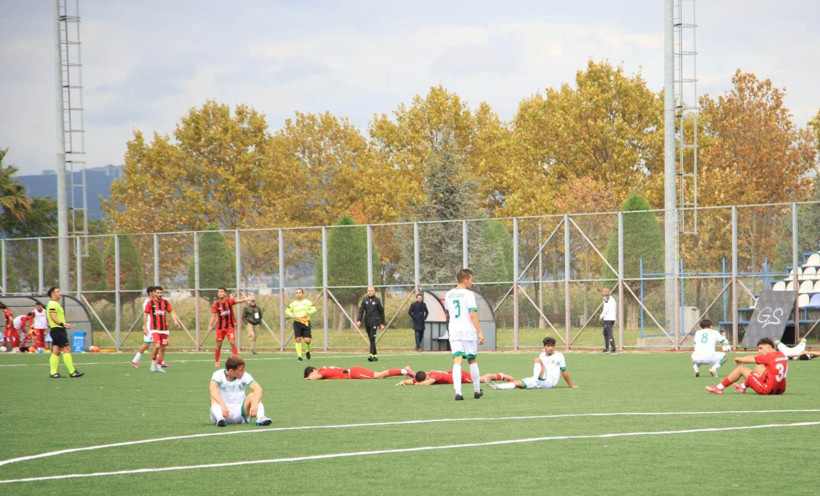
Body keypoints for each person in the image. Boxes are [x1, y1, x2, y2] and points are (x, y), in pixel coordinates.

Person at [444, 268, 485, 401]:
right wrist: (480, 332)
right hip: (467, 330)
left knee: (457, 359)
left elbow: (447, 313)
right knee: (471, 359)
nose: (472, 282)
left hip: (454, 330)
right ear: (466, 280)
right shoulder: (468, 294)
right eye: (471, 279)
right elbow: (472, 314)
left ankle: (458, 392)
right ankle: (477, 390)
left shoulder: (449, 294)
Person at [486, 337, 578, 391]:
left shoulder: (559, 356)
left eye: (552, 346)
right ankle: (497, 386)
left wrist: (571, 385)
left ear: (554, 346)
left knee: (537, 360)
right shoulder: (542, 355)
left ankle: (535, 379)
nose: (550, 348)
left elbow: (564, 372)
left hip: (550, 382)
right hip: (540, 380)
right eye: (548, 346)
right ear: (544, 347)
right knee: (518, 383)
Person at [705, 337, 788, 395]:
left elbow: (750, 360)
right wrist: (742, 358)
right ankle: (742, 386)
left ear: (768, 347)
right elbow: (755, 357)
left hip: (767, 389)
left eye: (760, 348)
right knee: (758, 367)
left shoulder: (767, 356)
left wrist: (739, 359)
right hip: (781, 390)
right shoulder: (780, 354)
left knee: (741, 369)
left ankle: (719, 388)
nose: (759, 351)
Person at [209, 355, 271, 427]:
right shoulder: (218, 374)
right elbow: (212, 389)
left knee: (254, 395)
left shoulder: (245, 375)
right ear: (231, 371)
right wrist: (223, 406)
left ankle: (261, 417)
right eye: (241, 370)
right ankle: (220, 419)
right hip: (223, 412)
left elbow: (258, 389)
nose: (243, 372)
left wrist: (254, 404)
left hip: (240, 413)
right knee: (213, 397)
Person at [45, 286, 83, 378]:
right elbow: (53, 317)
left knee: (56, 351)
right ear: (53, 294)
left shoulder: (53, 304)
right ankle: (72, 372)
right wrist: (62, 324)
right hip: (58, 330)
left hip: (56, 329)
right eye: (58, 292)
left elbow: (49, 318)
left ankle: (53, 373)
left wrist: (61, 325)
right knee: (67, 349)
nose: (60, 293)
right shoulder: (53, 304)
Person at [207, 287, 247, 368]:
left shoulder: (230, 301)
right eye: (219, 292)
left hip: (229, 327)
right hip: (220, 328)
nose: (220, 293)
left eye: (222, 291)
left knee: (232, 342)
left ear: (225, 293)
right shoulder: (216, 304)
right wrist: (210, 325)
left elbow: (238, 301)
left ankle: (237, 361)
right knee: (219, 343)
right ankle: (217, 361)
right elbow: (213, 316)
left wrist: (246, 298)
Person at [145, 285, 182, 373]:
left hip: (164, 329)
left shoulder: (165, 302)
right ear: (154, 293)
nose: (159, 294)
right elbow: (145, 315)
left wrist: (175, 321)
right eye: (158, 292)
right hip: (154, 329)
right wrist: (145, 328)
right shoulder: (150, 303)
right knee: (157, 346)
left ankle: (159, 366)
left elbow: (171, 311)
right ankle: (153, 362)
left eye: (161, 293)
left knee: (162, 348)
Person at [284, 288, 317, 361]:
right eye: (296, 293)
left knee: (307, 340)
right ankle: (299, 356)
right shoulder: (293, 303)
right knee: (298, 339)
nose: (298, 294)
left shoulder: (307, 302)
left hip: (306, 322)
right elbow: (287, 310)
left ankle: (307, 351)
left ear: (302, 294)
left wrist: (308, 313)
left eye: (299, 292)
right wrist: (292, 315)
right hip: (297, 323)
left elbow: (314, 309)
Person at [357, 286, 385, 362]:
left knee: (372, 338)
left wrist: (382, 323)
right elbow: (361, 311)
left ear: (374, 291)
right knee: (371, 339)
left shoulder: (377, 300)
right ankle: (375, 356)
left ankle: (371, 355)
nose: (370, 292)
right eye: (368, 291)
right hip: (367, 322)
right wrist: (359, 320)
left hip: (375, 322)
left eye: (371, 291)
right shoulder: (365, 300)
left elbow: (381, 312)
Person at [131, 286, 157, 368]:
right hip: (149, 327)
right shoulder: (147, 303)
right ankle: (135, 361)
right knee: (147, 344)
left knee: (157, 343)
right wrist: (145, 328)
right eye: (155, 292)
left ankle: (160, 362)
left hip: (155, 326)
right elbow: (145, 316)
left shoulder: (155, 302)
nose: (156, 293)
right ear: (150, 293)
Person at [396, 370, 514, 386]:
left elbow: (429, 382)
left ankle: (501, 376)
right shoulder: (425, 375)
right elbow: (414, 380)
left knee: (479, 379)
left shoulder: (432, 377)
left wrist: (419, 384)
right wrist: (404, 382)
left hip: (459, 376)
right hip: (452, 373)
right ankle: (500, 376)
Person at [304, 365, 414, 380]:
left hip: (354, 373)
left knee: (379, 375)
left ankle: (405, 370)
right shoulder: (323, 368)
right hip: (353, 371)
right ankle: (405, 371)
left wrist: (308, 378)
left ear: (313, 371)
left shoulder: (321, 371)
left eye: (310, 374)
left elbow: (317, 377)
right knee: (381, 376)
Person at [599, 287, 617, 353]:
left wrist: (601, 316)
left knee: (609, 333)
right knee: (605, 332)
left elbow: (606, 308)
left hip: (609, 319)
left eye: (604, 291)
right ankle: (607, 348)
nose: (602, 293)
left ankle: (614, 349)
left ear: (607, 292)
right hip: (610, 318)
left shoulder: (607, 299)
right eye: (602, 291)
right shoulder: (610, 299)